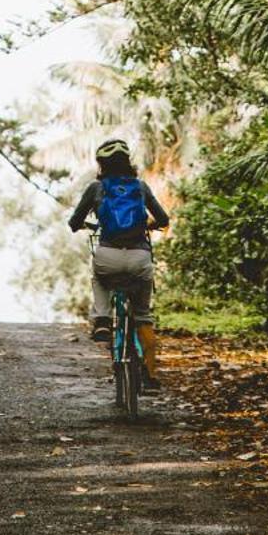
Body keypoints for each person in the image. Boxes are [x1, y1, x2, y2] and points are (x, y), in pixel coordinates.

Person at [68, 137, 169, 392]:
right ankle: (150, 377)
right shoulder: (141, 187)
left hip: (108, 256)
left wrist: (86, 225)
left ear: (101, 165)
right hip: (139, 259)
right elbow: (163, 219)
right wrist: (150, 225)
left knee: (99, 278)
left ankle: (102, 319)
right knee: (143, 316)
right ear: (128, 163)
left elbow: (74, 221)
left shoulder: (96, 188)